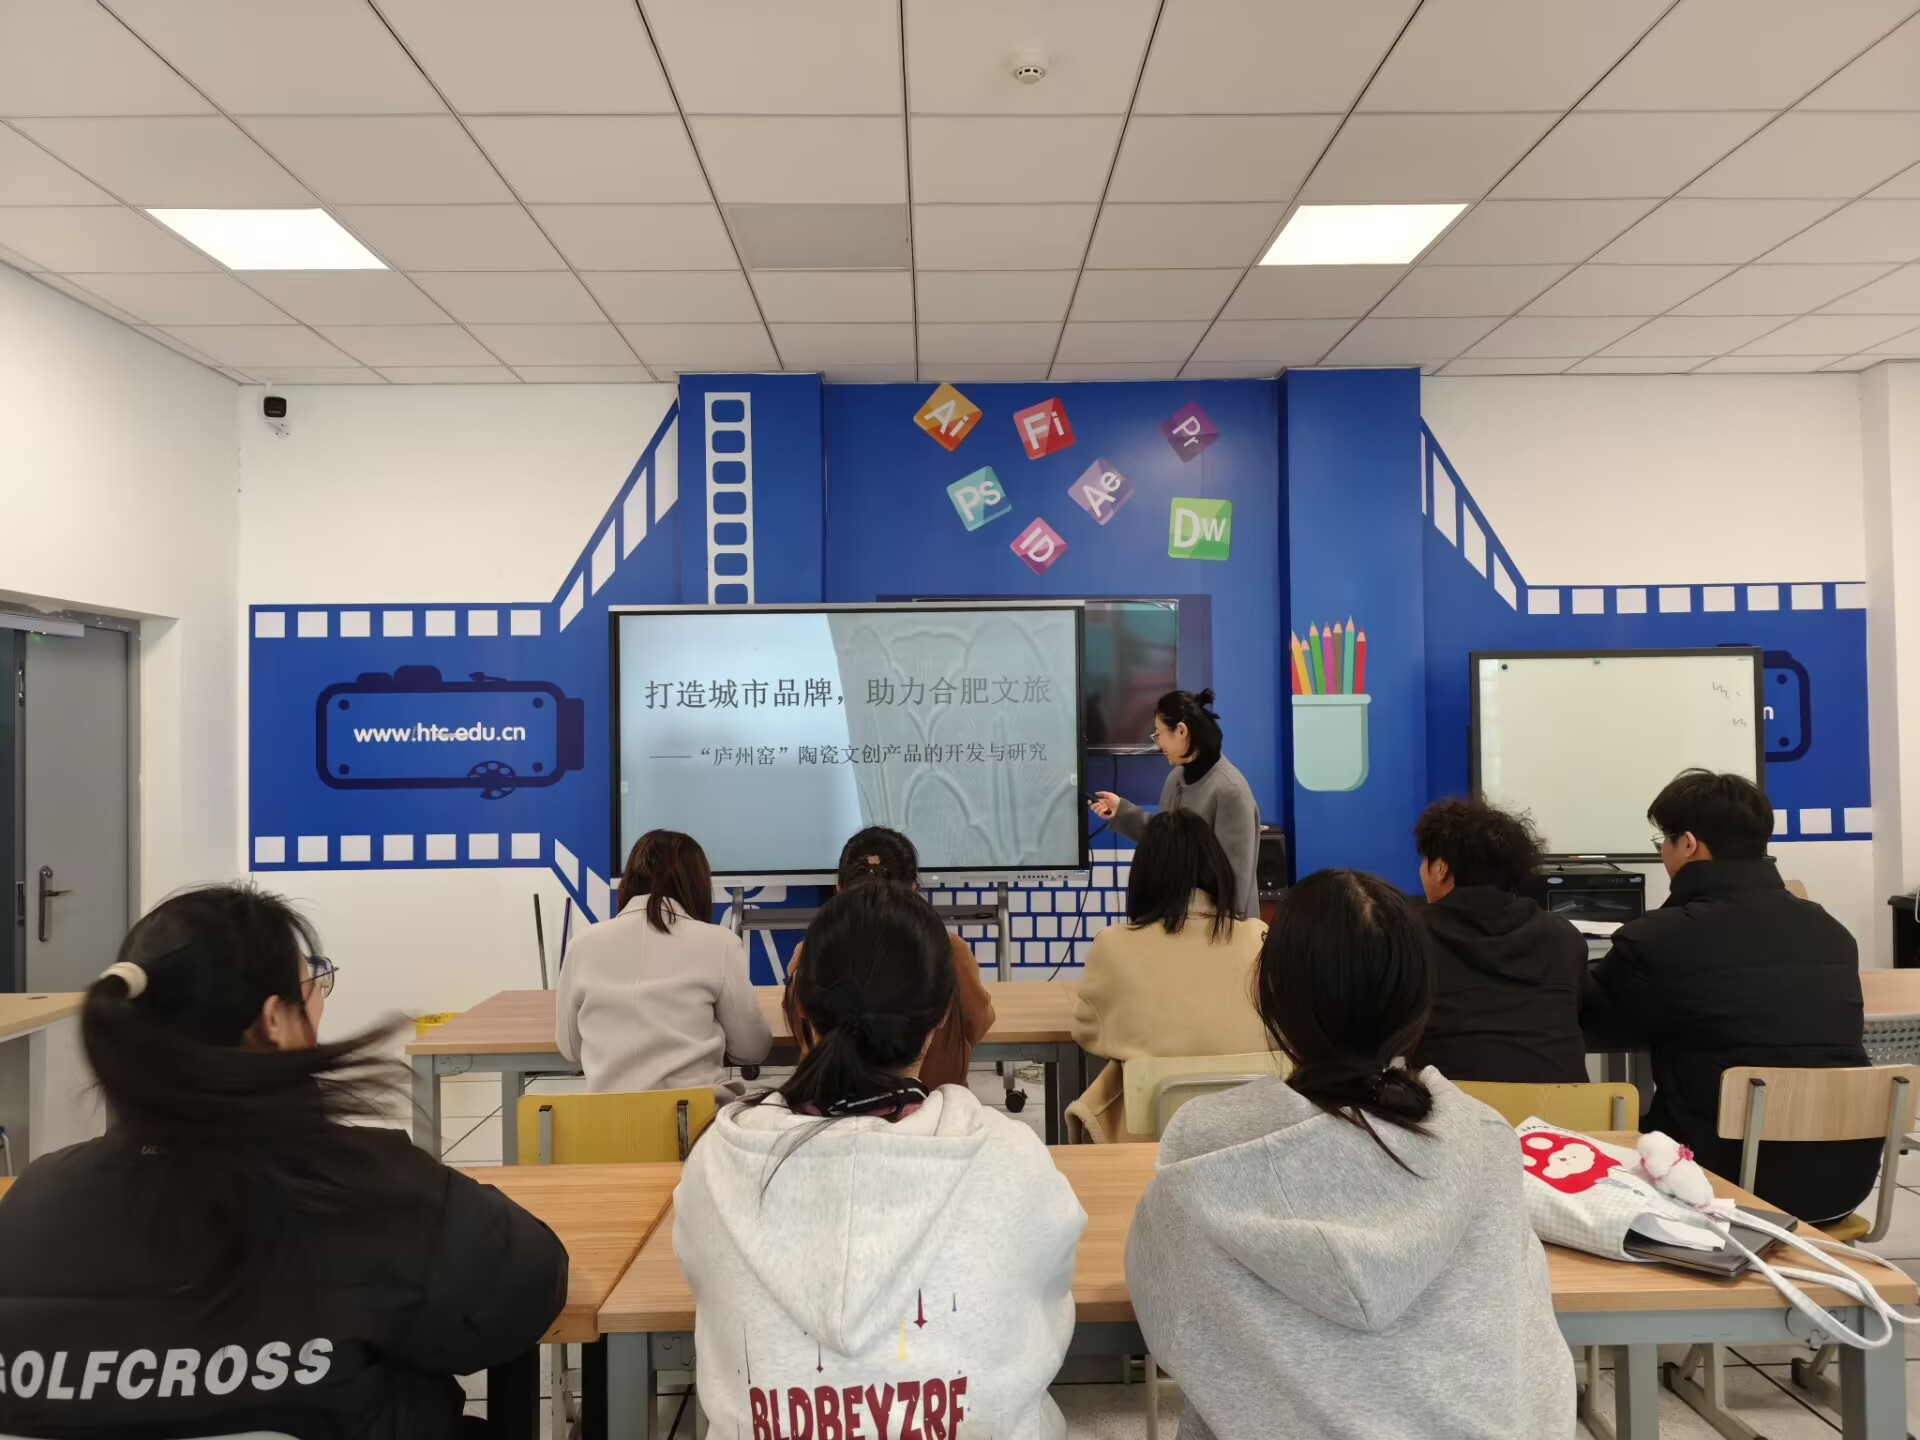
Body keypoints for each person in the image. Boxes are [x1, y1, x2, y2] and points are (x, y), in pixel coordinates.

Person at [0, 884, 568, 1440]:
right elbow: (524, 1289)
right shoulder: (375, 1189)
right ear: (273, 1021)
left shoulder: (30, 1202)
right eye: (312, 983)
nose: (319, 1000)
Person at [1125, 869, 1575, 1440]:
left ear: (1270, 991)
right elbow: (1527, 1345)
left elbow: (1165, 1312)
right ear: (1418, 1000)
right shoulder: (1483, 1138)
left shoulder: (1204, 1148)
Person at [674, 882, 1086, 1440]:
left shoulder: (715, 1164)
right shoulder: (1014, 1161)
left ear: (799, 1005)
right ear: (942, 1017)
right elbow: (1048, 1306)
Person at [1584, 770, 1874, 1222]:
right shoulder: (1831, 931)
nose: (1662, 852)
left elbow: (1598, 1024)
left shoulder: (1658, 938)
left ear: (1689, 844)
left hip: (1712, 1181)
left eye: (1664, 840)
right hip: (1842, 1184)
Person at [1068, 810, 1270, 1142]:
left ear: (1144, 875)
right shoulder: (1259, 939)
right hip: (1255, 1141)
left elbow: (1087, 1032)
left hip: (1145, 1150)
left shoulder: (1113, 944)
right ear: (1217, 868)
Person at [557, 829, 772, 1096]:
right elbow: (752, 1049)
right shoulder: (720, 943)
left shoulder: (582, 944)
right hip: (696, 1118)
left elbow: (570, 1048)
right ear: (698, 885)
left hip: (607, 1119)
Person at [782, 826, 994, 1091]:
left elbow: (799, 1024)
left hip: (830, 1094)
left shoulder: (814, 949)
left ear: (839, 888)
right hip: (931, 1092)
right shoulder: (949, 949)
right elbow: (977, 1021)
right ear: (913, 888)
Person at [1408, 797, 1589, 1083]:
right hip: (1560, 1109)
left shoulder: (1409, 937)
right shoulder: (1564, 936)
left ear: (1441, 868)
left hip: (1449, 1108)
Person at [1090, 687, 1261, 919]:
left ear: (1180, 731)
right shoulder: (1176, 778)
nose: (1158, 744)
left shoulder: (1231, 791)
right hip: (1177, 919)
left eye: (1158, 734)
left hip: (1219, 927)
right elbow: (1165, 840)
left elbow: (1234, 883)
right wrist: (1121, 810)